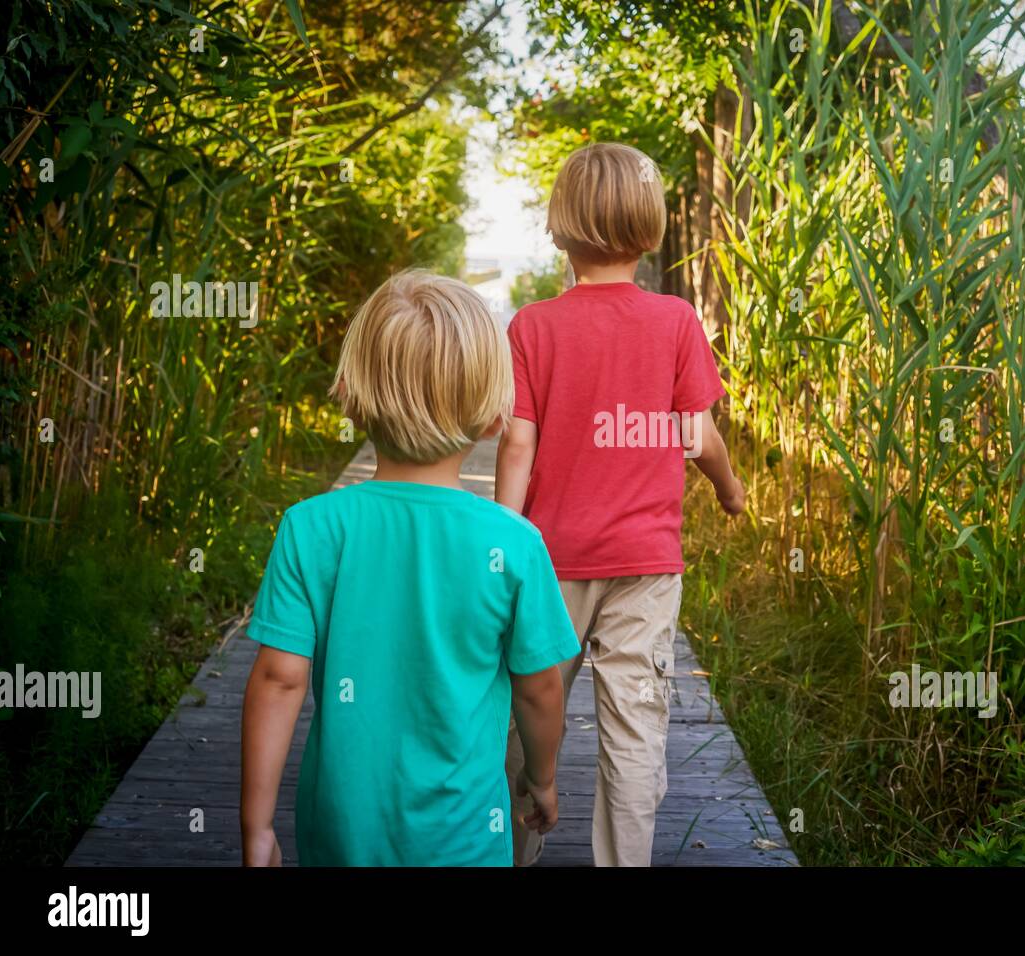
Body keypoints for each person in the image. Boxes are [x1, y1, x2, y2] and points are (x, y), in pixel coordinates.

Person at [241, 270, 579, 866]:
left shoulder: (312, 527)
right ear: (492, 417)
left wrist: (257, 826)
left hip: (342, 834)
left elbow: (279, 679)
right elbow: (541, 687)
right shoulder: (515, 543)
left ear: (351, 392)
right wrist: (542, 777)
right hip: (467, 836)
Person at [497, 143, 746, 867]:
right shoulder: (674, 321)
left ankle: (514, 853)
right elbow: (698, 437)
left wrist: (505, 544)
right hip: (644, 568)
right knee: (635, 732)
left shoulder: (532, 327)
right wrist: (729, 491)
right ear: (650, 227)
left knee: (524, 711)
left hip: (548, 564)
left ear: (559, 229)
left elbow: (517, 447)